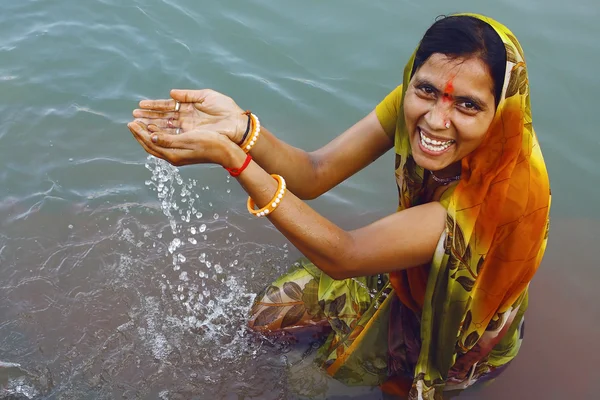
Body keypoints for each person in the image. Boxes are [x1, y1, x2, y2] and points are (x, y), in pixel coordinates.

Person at [128, 13, 551, 399]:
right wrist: (241, 128)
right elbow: (316, 171)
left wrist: (234, 161)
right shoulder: (415, 103)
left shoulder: (494, 200)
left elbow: (344, 256)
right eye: (427, 90)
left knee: (395, 391)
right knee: (268, 318)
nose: (437, 120)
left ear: (501, 113)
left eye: (467, 105)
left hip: (456, 327)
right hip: (402, 278)